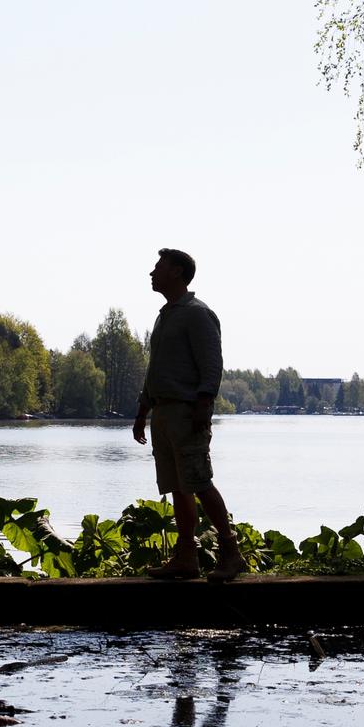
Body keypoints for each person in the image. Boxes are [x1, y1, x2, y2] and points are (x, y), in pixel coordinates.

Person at [132, 247, 247, 581]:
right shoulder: (165, 314)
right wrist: (143, 411)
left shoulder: (197, 314)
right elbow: (155, 369)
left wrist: (204, 405)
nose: (152, 273)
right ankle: (186, 558)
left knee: (198, 482)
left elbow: (212, 365)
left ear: (178, 272)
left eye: (158, 267)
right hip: (163, 413)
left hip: (186, 412)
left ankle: (230, 552)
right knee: (176, 487)